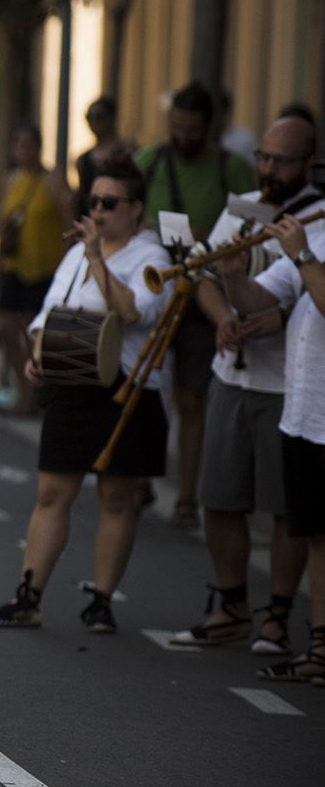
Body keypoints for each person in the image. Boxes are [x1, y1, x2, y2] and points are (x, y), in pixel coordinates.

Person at [0, 161, 171, 634]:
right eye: (94, 203)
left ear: (136, 209)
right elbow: (48, 313)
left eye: (110, 204)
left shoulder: (153, 257)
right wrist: (38, 352)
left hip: (125, 386)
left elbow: (130, 311)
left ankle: (102, 600)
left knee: (117, 496)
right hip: (72, 381)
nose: (99, 212)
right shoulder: (77, 253)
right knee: (51, 491)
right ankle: (28, 596)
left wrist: (96, 260)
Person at [170, 116, 319, 651]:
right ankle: (232, 606)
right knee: (222, 497)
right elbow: (208, 275)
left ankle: (277, 617)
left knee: (285, 509)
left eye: (282, 160)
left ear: (308, 164)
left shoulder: (316, 221)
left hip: (289, 386)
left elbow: (300, 296)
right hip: (233, 373)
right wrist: (223, 315)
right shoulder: (244, 206)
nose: (269, 168)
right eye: (265, 156)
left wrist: (272, 315)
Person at [136, 81, 258, 528]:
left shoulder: (235, 169)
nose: (183, 136)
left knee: (193, 397)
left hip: (207, 294)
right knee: (147, 390)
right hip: (157, 290)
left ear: (210, 128)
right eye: (177, 126)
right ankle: (140, 479)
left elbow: (254, 223)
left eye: (192, 129)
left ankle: (187, 497)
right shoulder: (149, 162)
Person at [218, 209, 325, 685]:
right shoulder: (318, 233)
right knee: (317, 537)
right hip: (305, 414)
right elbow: (257, 300)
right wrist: (232, 274)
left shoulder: (308, 243)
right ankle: (320, 649)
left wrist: (301, 253)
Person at [0, 123, 69, 416]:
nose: (23, 149)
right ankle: (23, 388)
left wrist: (67, 264)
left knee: (35, 331)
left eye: (29, 143)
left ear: (39, 146)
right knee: (7, 325)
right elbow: (3, 220)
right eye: (18, 143)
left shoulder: (53, 180)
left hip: (45, 267)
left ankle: (38, 390)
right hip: (14, 265)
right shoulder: (11, 180)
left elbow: (68, 222)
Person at [75, 97, 127, 213]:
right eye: (90, 118)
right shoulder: (83, 160)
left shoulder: (127, 154)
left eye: (100, 117)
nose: (94, 122)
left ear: (112, 118)